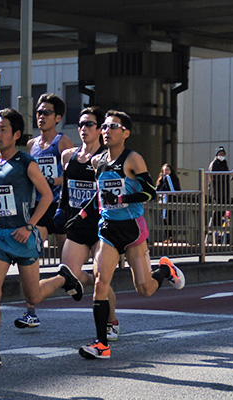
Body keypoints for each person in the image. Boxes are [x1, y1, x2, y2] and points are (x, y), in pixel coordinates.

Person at [67, 110, 185, 360]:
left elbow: (150, 193)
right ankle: (101, 344)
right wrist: (82, 216)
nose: (107, 131)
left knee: (145, 289)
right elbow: (99, 198)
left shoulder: (133, 159)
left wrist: (122, 198)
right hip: (108, 229)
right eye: (105, 127)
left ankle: (165, 271)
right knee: (100, 282)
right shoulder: (97, 162)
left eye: (113, 127)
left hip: (132, 229)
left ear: (126, 133)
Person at [0, 108, 61, 367]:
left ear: (16, 134)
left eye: (3, 129)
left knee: (33, 297)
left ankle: (63, 278)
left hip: (23, 236)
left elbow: (47, 196)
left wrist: (29, 226)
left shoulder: (26, 163)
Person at [12, 106, 120, 340]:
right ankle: (87, 279)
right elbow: (65, 189)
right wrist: (61, 210)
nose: (84, 129)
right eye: (81, 124)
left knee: (102, 280)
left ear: (100, 129)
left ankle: (111, 321)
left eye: (89, 124)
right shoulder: (68, 155)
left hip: (102, 227)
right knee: (70, 273)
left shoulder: (106, 159)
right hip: (77, 227)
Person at [27, 93, 74, 246]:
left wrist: (53, 180)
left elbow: (73, 175)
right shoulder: (31, 145)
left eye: (47, 113)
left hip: (59, 204)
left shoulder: (63, 142)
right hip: (40, 204)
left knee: (65, 257)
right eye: (39, 112)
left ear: (58, 118)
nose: (42, 116)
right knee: (34, 249)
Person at [155, 163, 181, 243]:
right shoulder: (161, 179)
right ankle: (168, 236)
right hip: (162, 201)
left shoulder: (173, 179)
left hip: (171, 201)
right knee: (164, 219)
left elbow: (174, 190)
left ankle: (171, 236)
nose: (166, 171)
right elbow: (158, 189)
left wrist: (168, 179)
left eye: (168, 169)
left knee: (169, 218)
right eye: (165, 169)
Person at [208, 146, 230, 228]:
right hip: (217, 191)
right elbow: (214, 177)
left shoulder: (224, 163)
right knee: (217, 208)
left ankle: (219, 225)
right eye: (220, 154)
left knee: (223, 208)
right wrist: (224, 176)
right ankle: (215, 225)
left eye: (223, 154)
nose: (222, 155)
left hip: (225, 190)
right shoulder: (214, 164)